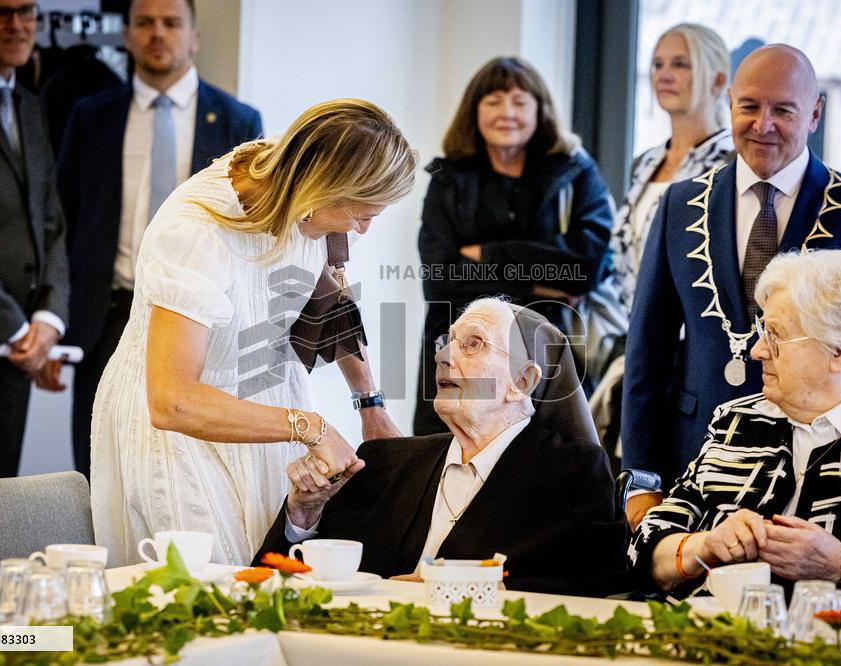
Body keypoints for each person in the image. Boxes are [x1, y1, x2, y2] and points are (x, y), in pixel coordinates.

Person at [90, 99, 417, 566]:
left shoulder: (300, 183)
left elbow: (325, 293)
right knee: (211, 579)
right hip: (185, 420)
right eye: (362, 215)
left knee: (269, 565)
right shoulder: (195, 233)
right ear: (322, 188)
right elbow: (172, 401)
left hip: (267, 399)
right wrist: (309, 426)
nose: (363, 229)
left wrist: (370, 404)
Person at [622, 44, 841, 525]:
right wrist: (641, 478)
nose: (763, 124)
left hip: (824, 466)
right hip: (694, 458)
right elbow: (646, 353)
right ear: (730, 103)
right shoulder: (679, 204)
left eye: (783, 110)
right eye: (750, 107)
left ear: (815, 114)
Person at [254, 299, 628, 597]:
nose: (443, 356)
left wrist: (456, 587)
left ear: (523, 380)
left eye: (473, 344)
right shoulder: (385, 461)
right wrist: (304, 515)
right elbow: (282, 580)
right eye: (447, 342)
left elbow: (600, 586)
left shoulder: (570, 472)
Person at [53, 0, 264, 479]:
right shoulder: (91, 116)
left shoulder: (238, 121)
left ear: (194, 38)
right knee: (98, 463)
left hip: (198, 320)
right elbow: (64, 218)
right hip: (106, 315)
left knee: (184, 465)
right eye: (145, 23)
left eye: (171, 23)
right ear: (127, 36)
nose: (157, 33)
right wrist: (57, 320)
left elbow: (252, 225)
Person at [630, 250, 841, 606]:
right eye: (763, 330)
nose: (757, 350)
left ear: (840, 352)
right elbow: (644, 549)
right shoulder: (737, 421)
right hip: (702, 630)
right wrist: (705, 545)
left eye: (775, 335)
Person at [415, 56, 615, 436]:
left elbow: (587, 265)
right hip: (459, 360)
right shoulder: (448, 178)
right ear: (474, 111)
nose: (507, 113)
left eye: (520, 102)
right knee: (453, 465)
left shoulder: (575, 171)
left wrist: (488, 255)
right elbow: (440, 278)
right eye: (493, 101)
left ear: (541, 110)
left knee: (551, 464)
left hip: (550, 358)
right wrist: (539, 285)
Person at [0, 0, 70, 478]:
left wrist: (48, 319)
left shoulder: (30, 106)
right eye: (1, 12)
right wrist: (13, 327)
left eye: (26, 11)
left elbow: (50, 220)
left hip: (24, 346)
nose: (16, 25)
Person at [611, 23, 734, 311]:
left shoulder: (732, 162)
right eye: (657, 64)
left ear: (718, 81)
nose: (664, 75)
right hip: (636, 321)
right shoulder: (645, 163)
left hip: (702, 323)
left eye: (680, 64)